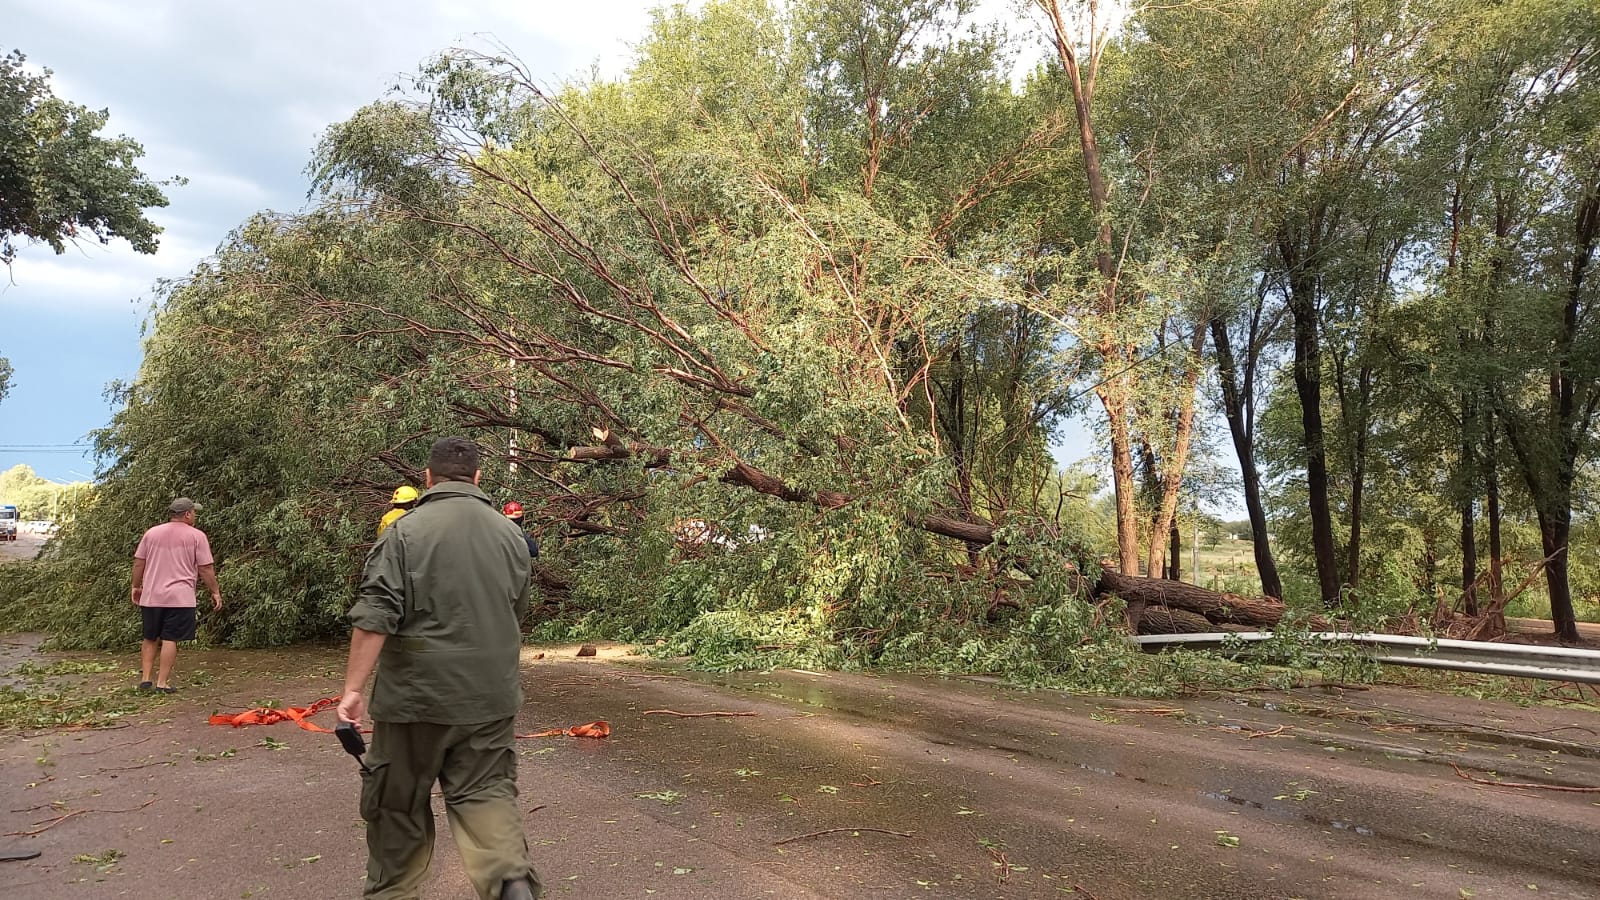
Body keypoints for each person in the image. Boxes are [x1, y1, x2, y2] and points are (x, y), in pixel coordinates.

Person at [339, 437, 541, 900]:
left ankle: (393, 890)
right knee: (487, 796)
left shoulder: (402, 533)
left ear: (427, 479)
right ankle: (511, 884)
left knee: (397, 804)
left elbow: (375, 616)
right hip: (489, 699)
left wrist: (352, 690)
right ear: (477, 478)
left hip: (415, 701)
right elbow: (517, 610)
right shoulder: (511, 535)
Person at [131, 497, 221, 693]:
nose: (195, 515)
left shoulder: (152, 533)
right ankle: (162, 683)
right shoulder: (197, 536)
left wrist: (136, 586)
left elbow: (139, 562)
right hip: (180, 598)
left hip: (152, 595)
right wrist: (215, 591)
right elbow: (205, 568)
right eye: (194, 512)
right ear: (187, 514)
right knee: (170, 638)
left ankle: (145, 679)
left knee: (150, 637)